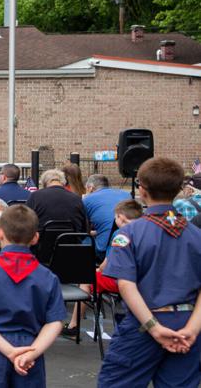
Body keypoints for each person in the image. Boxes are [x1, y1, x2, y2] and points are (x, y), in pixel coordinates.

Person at [98, 157, 201, 387]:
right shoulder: (196, 235)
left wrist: (153, 327)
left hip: (142, 323)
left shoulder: (131, 234)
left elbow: (126, 285)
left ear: (142, 190)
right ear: (178, 189)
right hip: (187, 321)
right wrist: (192, 329)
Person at [0, 204, 65, 387]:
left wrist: (9, 351)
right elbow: (55, 322)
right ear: (35, 238)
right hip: (30, 348)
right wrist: (32, 352)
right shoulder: (48, 277)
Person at [64, 200, 143, 337]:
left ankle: (73, 325)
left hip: (120, 280)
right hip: (142, 279)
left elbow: (107, 264)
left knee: (86, 278)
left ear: (120, 217)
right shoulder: (145, 232)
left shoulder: (120, 235)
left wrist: (98, 269)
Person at [83, 174, 131, 259]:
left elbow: (84, 230)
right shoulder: (127, 195)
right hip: (128, 245)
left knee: (83, 240)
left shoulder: (87, 199)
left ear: (90, 188)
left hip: (104, 251)